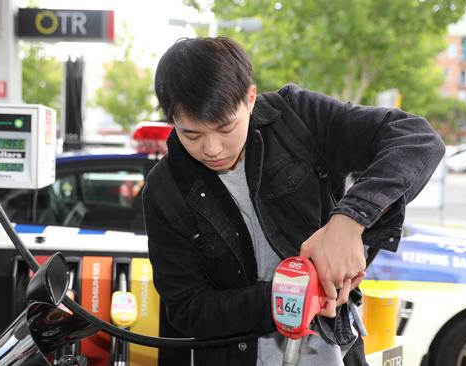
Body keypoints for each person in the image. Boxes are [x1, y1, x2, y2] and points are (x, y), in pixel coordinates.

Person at [141, 37, 445, 366]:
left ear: (250, 98)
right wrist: (290, 294)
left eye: (225, 127)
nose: (212, 148)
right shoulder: (164, 190)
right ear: (172, 121)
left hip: (333, 351)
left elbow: (417, 139)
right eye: (192, 135)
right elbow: (188, 308)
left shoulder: (297, 119)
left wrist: (349, 221)